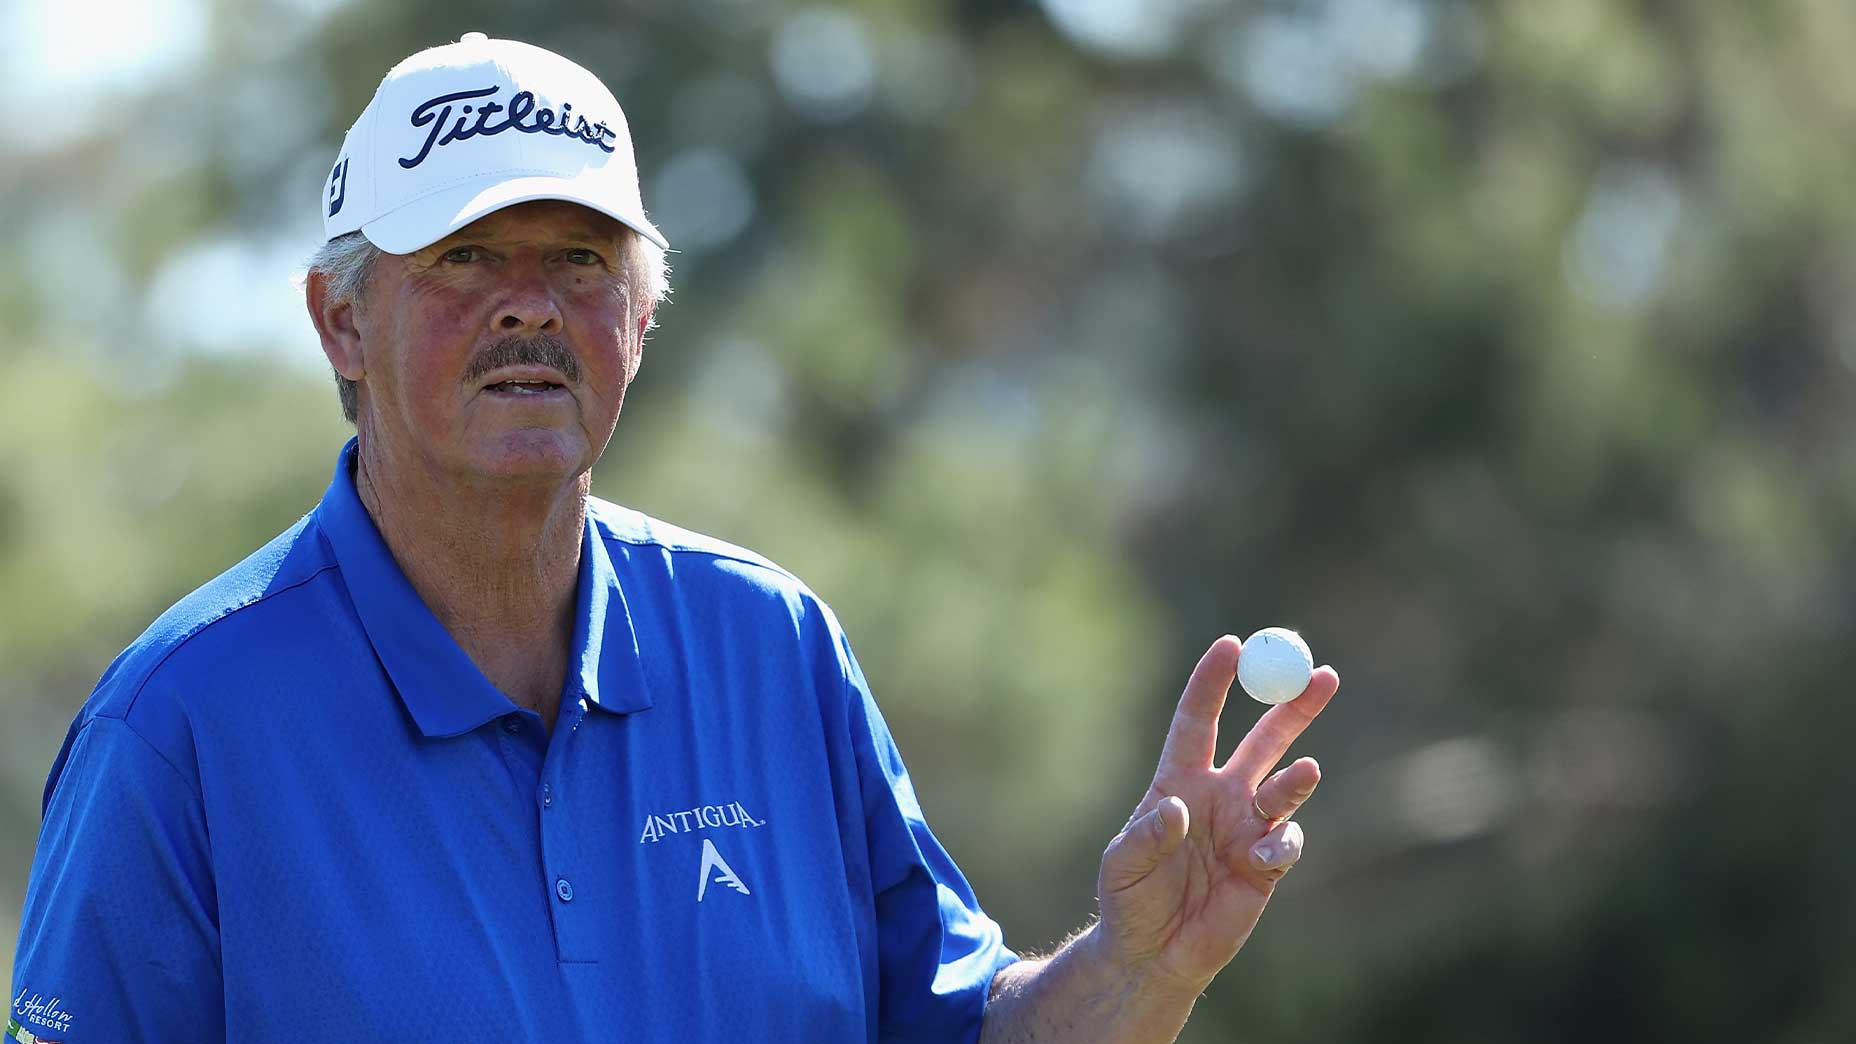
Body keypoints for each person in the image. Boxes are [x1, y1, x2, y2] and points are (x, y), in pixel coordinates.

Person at [8, 33, 1339, 1044]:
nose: (527, 305)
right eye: (464, 259)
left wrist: (1133, 968)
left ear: (641, 318)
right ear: (341, 323)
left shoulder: (772, 646)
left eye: (581, 260)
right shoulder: (181, 725)